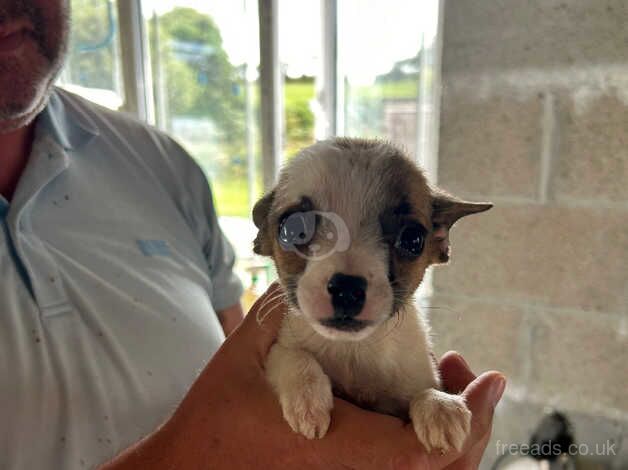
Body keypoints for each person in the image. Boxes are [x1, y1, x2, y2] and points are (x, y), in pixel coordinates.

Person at [0, 1, 506, 469]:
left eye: (408, 240)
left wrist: (427, 403)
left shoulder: (160, 163)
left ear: (439, 241)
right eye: (302, 230)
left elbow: (244, 353)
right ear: (269, 235)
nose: (348, 268)